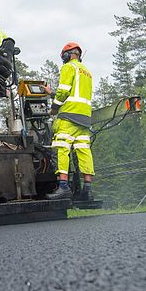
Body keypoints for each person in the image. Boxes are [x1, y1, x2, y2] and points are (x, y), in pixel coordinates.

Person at [46, 42, 94, 201]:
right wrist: (51, 93)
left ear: (68, 55)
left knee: (62, 147)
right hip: (85, 117)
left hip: (69, 116)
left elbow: (64, 92)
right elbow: (75, 93)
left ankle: (64, 187)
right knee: (83, 149)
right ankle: (87, 190)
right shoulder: (87, 72)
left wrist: (53, 108)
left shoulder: (68, 67)